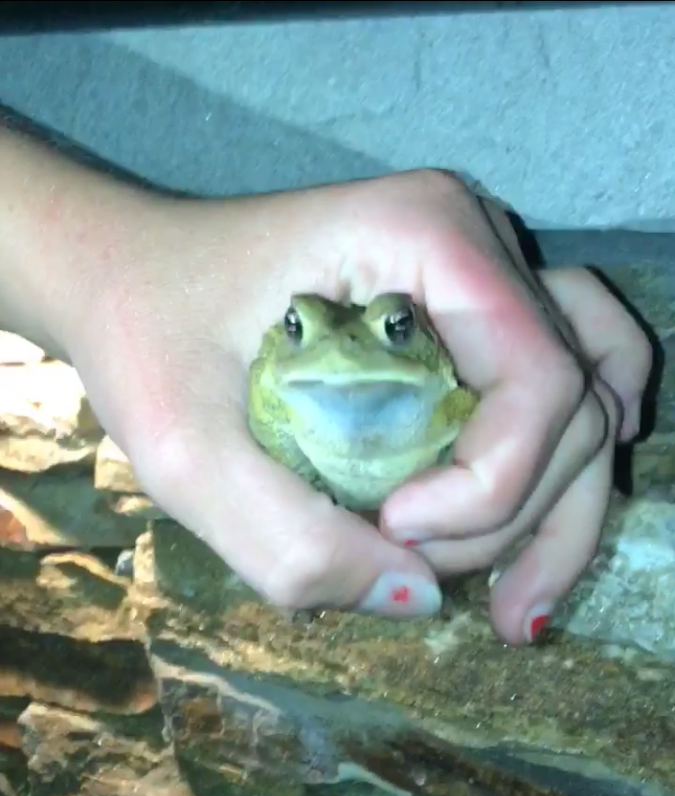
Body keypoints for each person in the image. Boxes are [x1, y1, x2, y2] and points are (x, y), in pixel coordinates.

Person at [0, 123, 652, 643]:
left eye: (395, 326)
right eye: (297, 326)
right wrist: (96, 277)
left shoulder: (444, 389)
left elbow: (469, 399)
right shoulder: (273, 384)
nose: (339, 351)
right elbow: (265, 394)